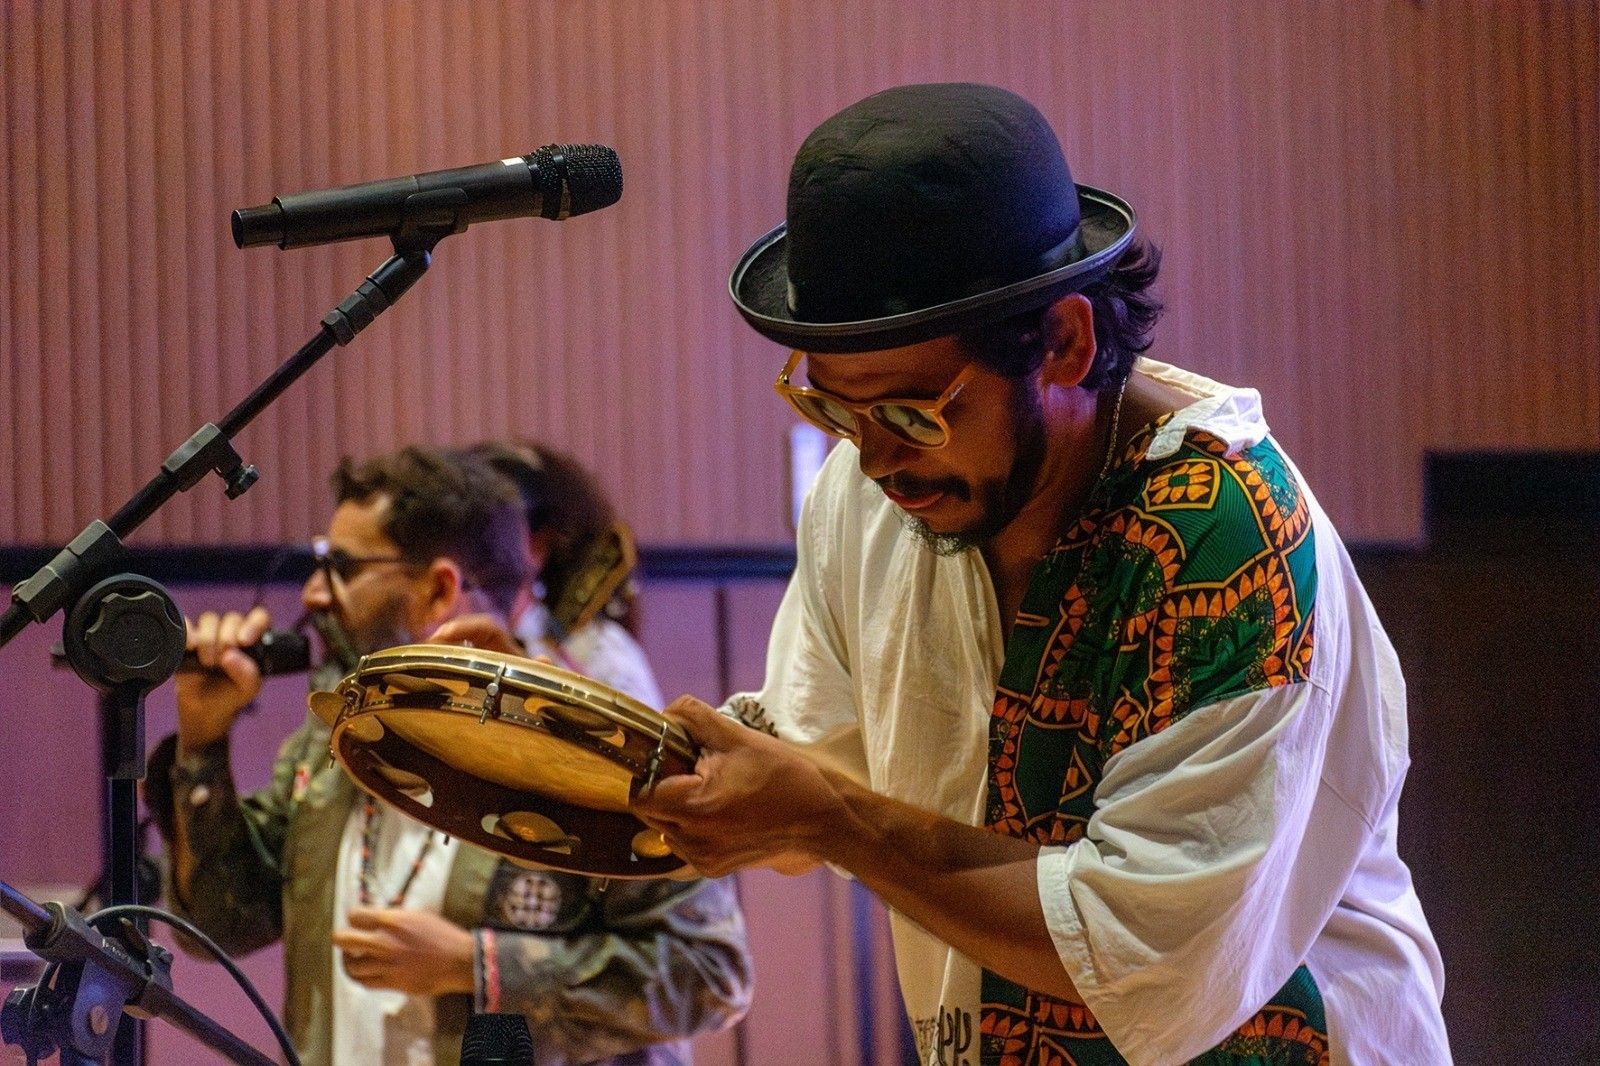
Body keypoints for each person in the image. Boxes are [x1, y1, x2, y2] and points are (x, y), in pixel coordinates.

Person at [627, 83, 1452, 1065]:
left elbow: (1144, 955)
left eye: (912, 413)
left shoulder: (1226, 540)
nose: (876, 459)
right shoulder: (871, 491)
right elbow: (816, 777)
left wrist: (825, 817)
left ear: (1064, 341)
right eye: (838, 412)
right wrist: (584, 749)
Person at [146, 445, 752, 1066]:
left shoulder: (589, 750)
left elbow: (710, 974)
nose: (313, 595)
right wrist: (203, 741)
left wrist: (481, 966)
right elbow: (223, 923)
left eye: (343, 569)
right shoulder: (333, 739)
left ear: (439, 590)